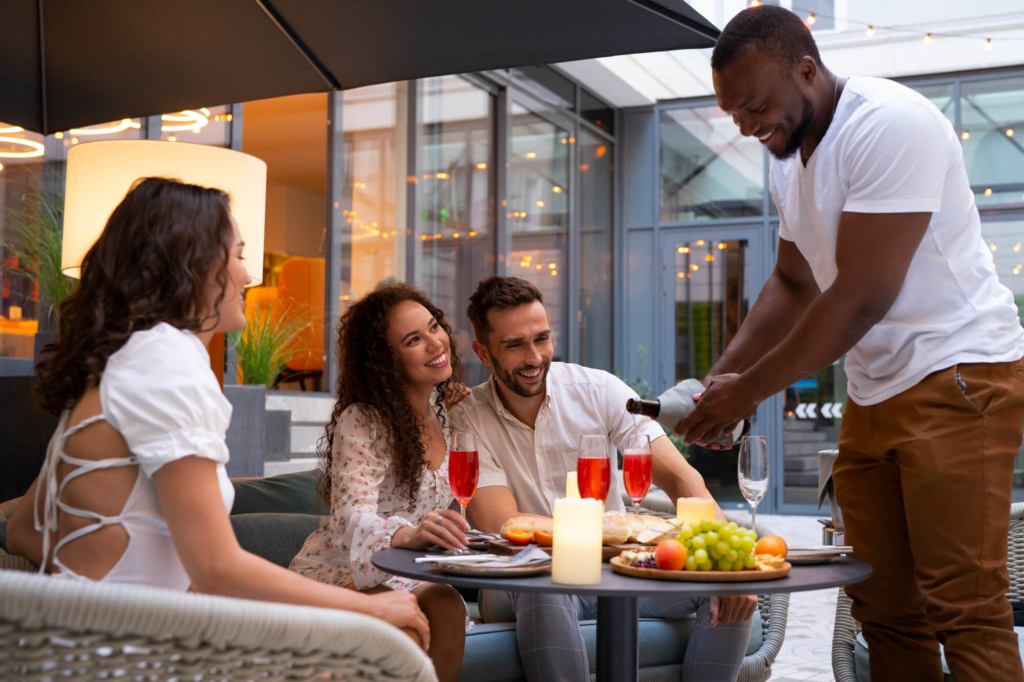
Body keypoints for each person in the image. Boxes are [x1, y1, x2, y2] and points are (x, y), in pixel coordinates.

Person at [677, 6, 1024, 682]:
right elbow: (792, 279)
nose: (746, 126)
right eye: (733, 114)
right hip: (875, 389)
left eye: (754, 106)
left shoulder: (889, 124)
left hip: (960, 375)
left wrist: (748, 391)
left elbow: (861, 295)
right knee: (883, 605)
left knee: (964, 604)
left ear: (806, 69)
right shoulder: (786, 157)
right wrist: (716, 385)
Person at [5, 177, 430, 651]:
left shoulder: (117, 366)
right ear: (193, 264)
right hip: (128, 653)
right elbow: (218, 567)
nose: (249, 276)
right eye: (240, 255)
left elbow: (23, 528)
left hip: (81, 643)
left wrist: (118, 584)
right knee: (382, 651)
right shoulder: (166, 359)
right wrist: (371, 607)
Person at [453, 275, 757, 682]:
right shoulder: (468, 417)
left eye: (542, 338)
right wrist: (608, 535)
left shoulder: (598, 390)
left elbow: (684, 482)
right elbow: (505, 525)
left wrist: (731, 567)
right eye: (514, 345)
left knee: (725, 588)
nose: (534, 357)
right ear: (483, 353)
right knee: (544, 583)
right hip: (522, 577)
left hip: (615, 569)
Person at [289, 283, 470, 682]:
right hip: (346, 571)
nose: (434, 342)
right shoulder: (364, 421)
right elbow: (350, 518)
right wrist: (407, 534)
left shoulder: (450, 414)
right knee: (406, 627)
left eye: (434, 327)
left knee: (448, 604)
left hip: (412, 575)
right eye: (413, 340)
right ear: (385, 361)